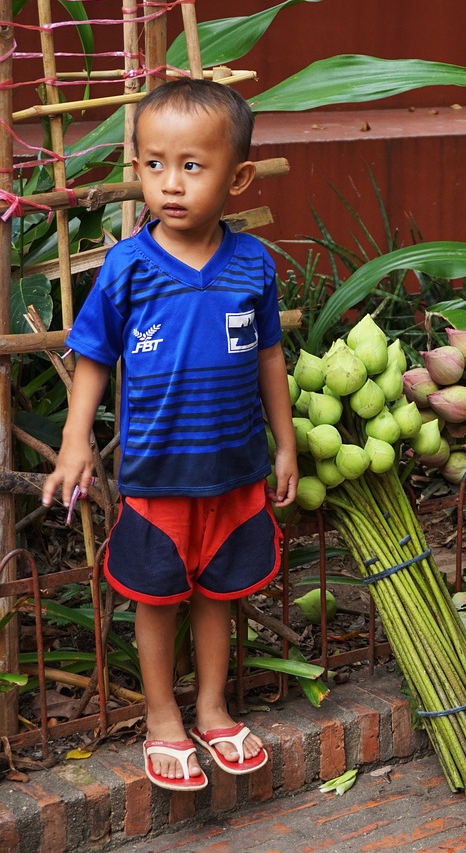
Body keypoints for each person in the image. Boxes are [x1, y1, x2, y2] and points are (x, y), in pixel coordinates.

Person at [41, 78, 298, 792]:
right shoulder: (129, 266)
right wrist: (75, 441)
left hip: (235, 470)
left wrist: (285, 445)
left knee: (218, 593)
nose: (170, 183)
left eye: (192, 165)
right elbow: (94, 355)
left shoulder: (253, 265)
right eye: (154, 165)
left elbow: (271, 357)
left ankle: (213, 709)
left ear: (237, 177)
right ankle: (162, 716)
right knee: (157, 600)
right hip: (158, 477)